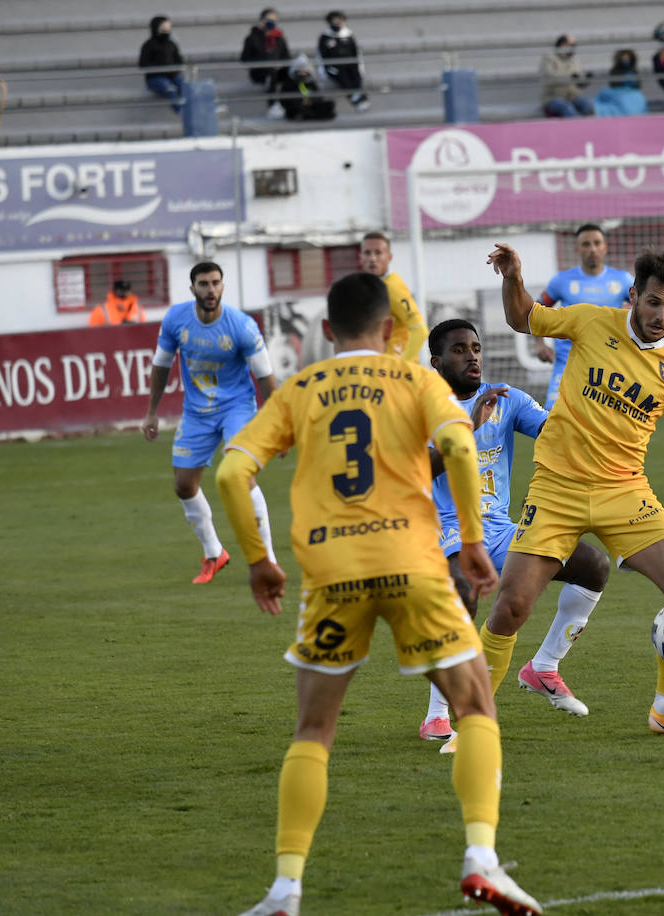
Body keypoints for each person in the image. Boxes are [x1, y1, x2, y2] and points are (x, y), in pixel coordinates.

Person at [217, 272, 543, 916]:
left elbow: (231, 471)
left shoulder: (300, 389)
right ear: (390, 332)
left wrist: (257, 561)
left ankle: (285, 890)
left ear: (328, 332)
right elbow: (456, 442)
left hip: (332, 577)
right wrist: (474, 540)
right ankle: (481, 859)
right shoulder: (417, 379)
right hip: (415, 566)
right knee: (476, 707)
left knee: (313, 731)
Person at [483, 242, 664, 737]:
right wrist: (512, 276)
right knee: (511, 606)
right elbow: (522, 318)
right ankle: (472, 724)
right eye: (655, 301)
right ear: (634, 295)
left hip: (624, 492)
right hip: (556, 488)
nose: (663, 315)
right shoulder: (591, 321)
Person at [420, 319, 611, 743]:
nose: (471, 355)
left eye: (475, 347)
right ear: (436, 362)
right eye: (458, 350)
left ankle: (543, 666)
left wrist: (586, 410)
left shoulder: (505, 399)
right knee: (462, 593)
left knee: (592, 566)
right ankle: (436, 714)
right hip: (444, 530)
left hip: (501, 530)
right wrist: (466, 426)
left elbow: (554, 434)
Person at [141, 262, 278, 584]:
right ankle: (214, 553)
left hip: (237, 408)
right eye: (204, 284)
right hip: (197, 412)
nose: (211, 289)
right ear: (193, 289)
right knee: (183, 485)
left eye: (216, 283)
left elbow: (266, 379)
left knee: (239, 476)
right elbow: (161, 365)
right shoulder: (177, 319)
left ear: (223, 287)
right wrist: (151, 412)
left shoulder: (242, 326)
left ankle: (268, 559)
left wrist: (276, 429)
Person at [534, 223, 634, 408]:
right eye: (586, 244)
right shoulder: (561, 281)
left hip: (609, 367)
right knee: (551, 421)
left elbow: (644, 309)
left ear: (605, 247)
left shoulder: (623, 280)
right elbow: (537, 308)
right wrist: (539, 343)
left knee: (608, 425)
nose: (592, 249)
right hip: (567, 365)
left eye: (597, 243)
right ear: (577, 249)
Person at [359, 232, 427, 363]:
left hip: (395, 372)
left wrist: (401, 366)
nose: (372, 258)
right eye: (367, 253)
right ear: (360, 257)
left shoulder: (392, 287)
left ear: (389, 257)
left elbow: (420, 330)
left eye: (378, 253)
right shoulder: (370, 288)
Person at [241, 7, 292, 119]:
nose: (271, 22)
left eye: (274, 20)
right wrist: (263, 62)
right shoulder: (252, 38)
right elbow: (245, 58)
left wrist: (281, 64)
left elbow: (287, 56)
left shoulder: (279, 38)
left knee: (292, 72)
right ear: (262, 20)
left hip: (277, 70)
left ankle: (294, 105)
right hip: (260, 71)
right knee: (271, 72)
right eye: (269, 19)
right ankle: (273, 105)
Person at [317, 10, 369, 111]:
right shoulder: (325, 37)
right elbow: (321, 55)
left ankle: (359, 96)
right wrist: (324, 71)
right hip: (334, 66)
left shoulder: (348, 35)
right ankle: (354, 98)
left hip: (349, 64)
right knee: (343, 77)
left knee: (356, 76)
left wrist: (360, 67)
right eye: (335, 21)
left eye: (340, 21)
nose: (337, 24)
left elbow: (356, 53)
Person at [138, 16, 185, 112]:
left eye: (168, 26)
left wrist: (174, 69)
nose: (167, 28)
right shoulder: (148, 45)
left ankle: (200, 109)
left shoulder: (171, 44)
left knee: (186, 87)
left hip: (172, 76)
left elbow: (179, 61)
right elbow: (143, 64)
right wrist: (160, 70)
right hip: (156, 78)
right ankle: (182, 112)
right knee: (170, 89)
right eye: (164, 26)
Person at [540, 34, 593, 118]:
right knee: (567, 107)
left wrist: (584, 80)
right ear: (562, 45)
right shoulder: (549, 58)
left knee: (588, 105)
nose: (572, 47)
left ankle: (591, 128)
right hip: (553, 97)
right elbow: (549, 76)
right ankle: (577, 129)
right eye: (570, 45)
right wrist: (570, 76)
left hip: (572, 96)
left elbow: (577, 76)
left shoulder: (574, 60)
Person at [593, 48, 648, 117]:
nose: (626, 60)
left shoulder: (634, 70)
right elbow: (613, 85)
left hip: (633, 93)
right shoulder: (615, 71)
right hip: (620, 93)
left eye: (627, 58)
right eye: (624, 58)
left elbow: (638, 85)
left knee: (638, 99)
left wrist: (632, 85)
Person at [281, 53, 336, 120]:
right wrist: (300, 101)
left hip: (310, 104)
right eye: (300, 71)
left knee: (328, 105)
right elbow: (286, 99)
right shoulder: (290, 82)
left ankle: (312, 115)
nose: (302, 73)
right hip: (297, 106)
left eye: (304, 71)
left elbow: (318, 96)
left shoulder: (310, 82)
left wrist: (311, 101)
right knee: (298, 108)